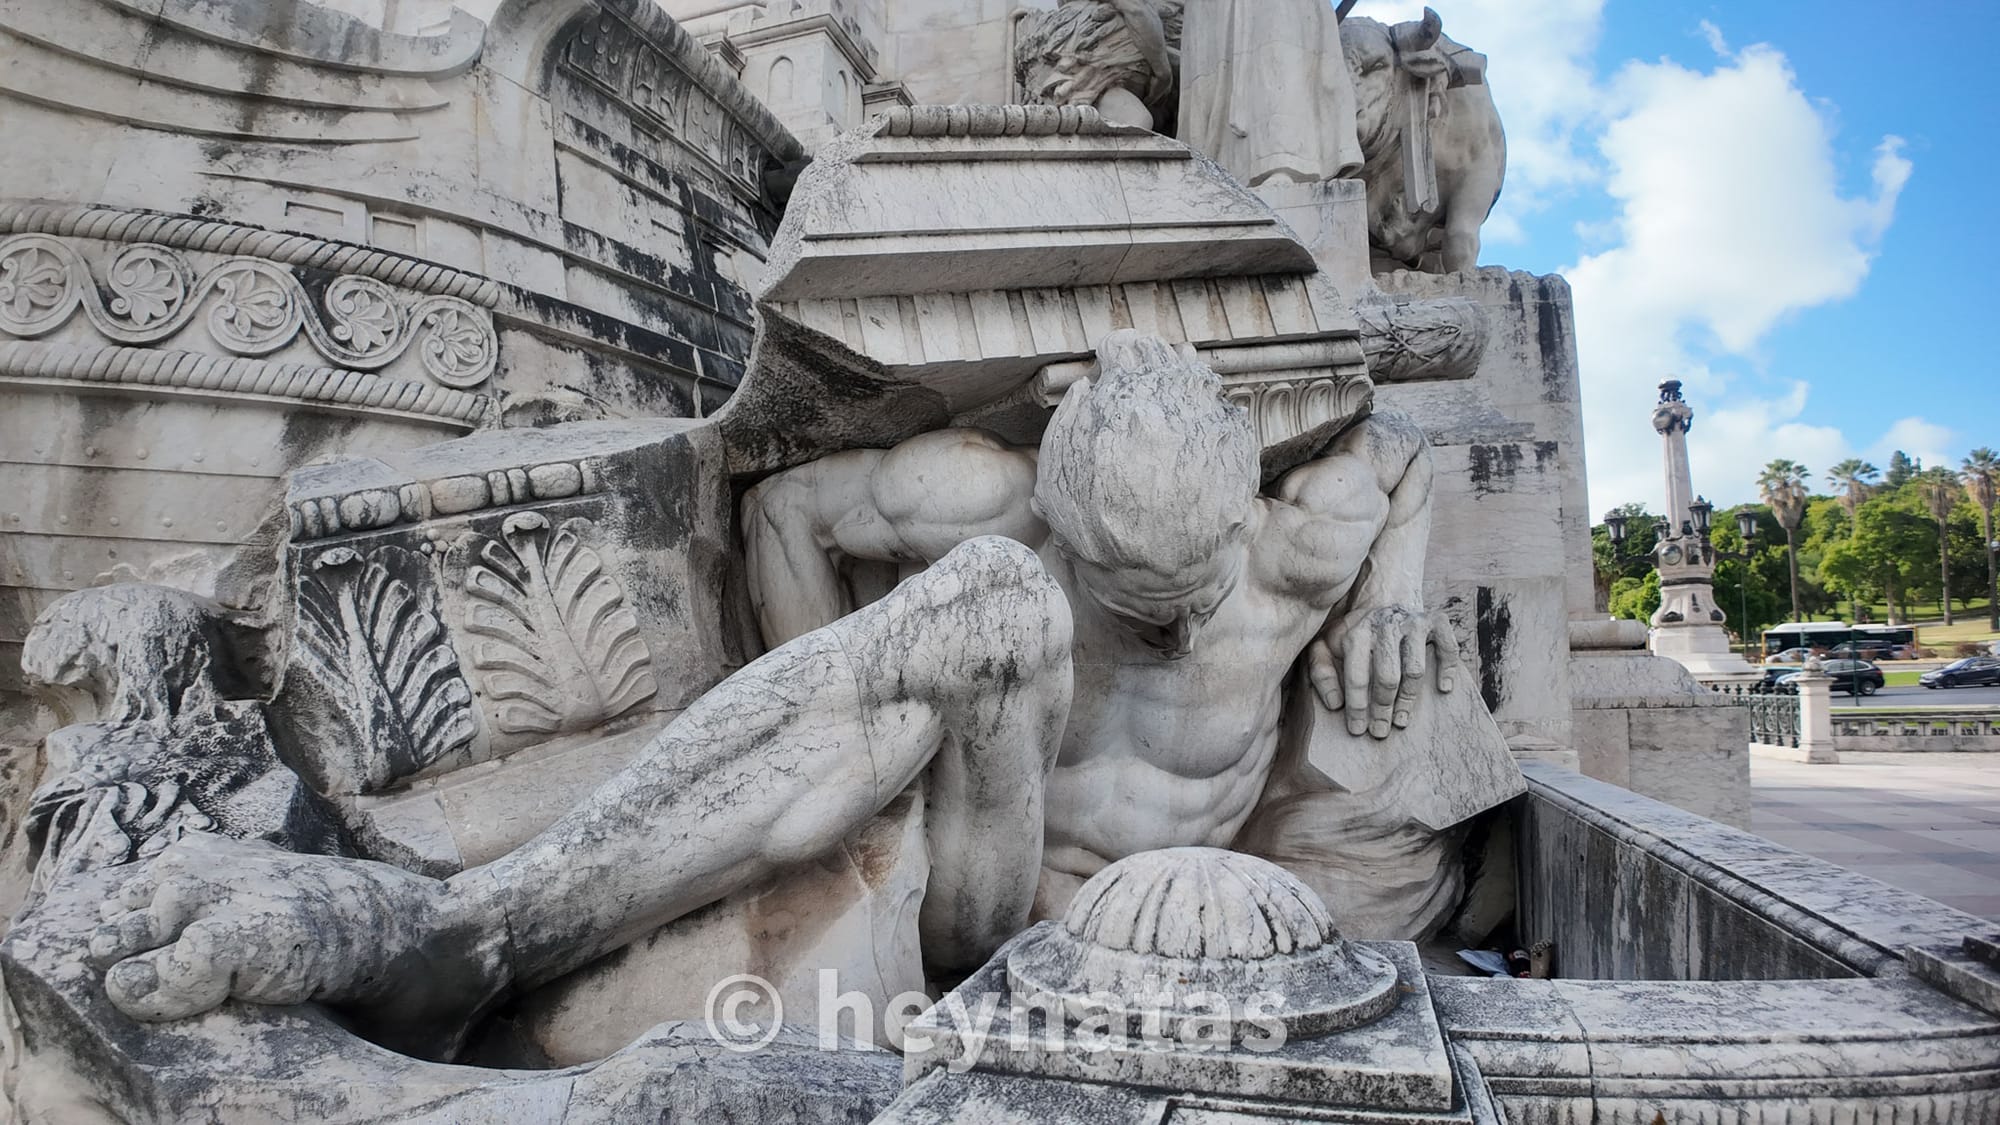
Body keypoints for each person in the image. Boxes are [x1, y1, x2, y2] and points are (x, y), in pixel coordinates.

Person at [89, 332, 1454, 1044]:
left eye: (1191, 593)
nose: (1170, 628)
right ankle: (471, 933)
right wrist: (819, 700)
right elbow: (787, 510)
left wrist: (1393, 601)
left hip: (1204, 929)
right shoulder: (996, 514)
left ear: (1245, 513)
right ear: (1063, 511)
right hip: (995, 899)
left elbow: (1406, 454)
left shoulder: (1305, 547)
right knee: (988, 599)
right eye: (1132, 599)